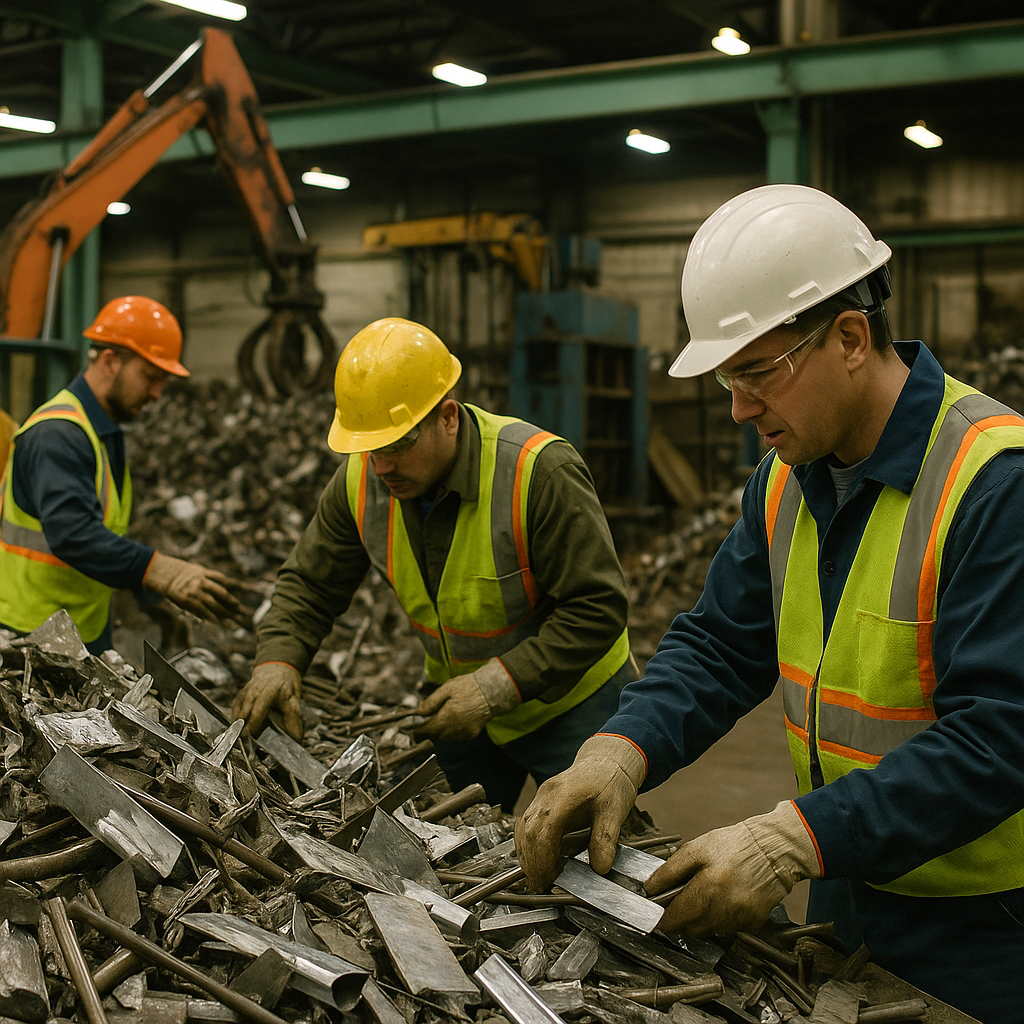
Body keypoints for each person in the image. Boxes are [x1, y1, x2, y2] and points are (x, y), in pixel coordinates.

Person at [515, 184, 1024, 1022]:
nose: (740, 408)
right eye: (727, 378)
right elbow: (722, 641)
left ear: (852, 338)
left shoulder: (992, 482)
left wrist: (788, 839)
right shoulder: (788, 478)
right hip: (846, 881)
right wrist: (619, 750)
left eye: (757, 374)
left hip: (985, 927)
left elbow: (1000, 737)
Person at [231, 316, 634, 811]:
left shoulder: (538, 471)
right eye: (369, 448)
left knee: (584, 853)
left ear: (447, 417)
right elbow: (312, 584)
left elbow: (598, 607)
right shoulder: (361, 482)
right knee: (444, 842)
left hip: (573, 704)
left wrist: (493, 687)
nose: (381, 468)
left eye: (398, 445)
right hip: (460, 708)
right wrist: (278, 660)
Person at [0, 295, 248, 655]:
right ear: (110, 361)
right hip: (29, 640)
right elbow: (73, 534)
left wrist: (145, 594)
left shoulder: (100, 432)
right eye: (150, 377)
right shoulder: (58, 435)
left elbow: (102, 532)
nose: (157, 393)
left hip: (76, 632)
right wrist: (160, 571)